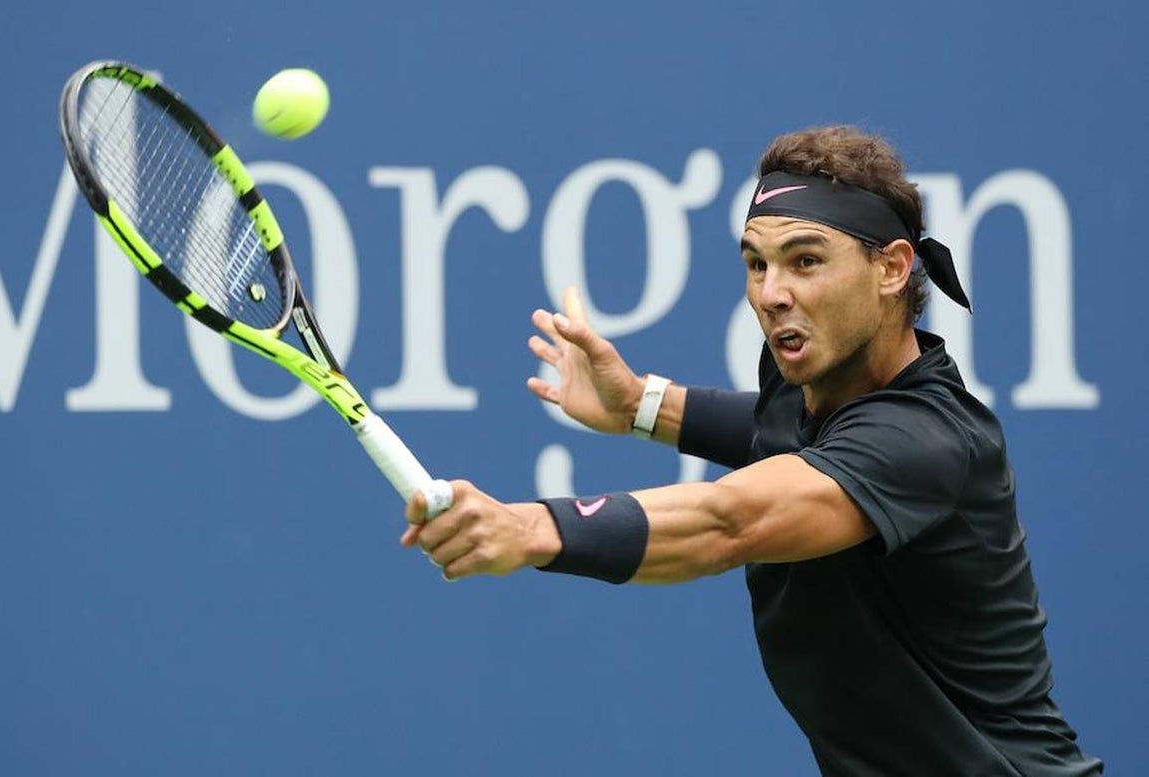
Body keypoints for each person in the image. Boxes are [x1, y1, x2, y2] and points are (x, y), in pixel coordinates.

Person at [400, 126, 1103, 775]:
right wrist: (643, 404)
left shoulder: (925, 439)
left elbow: (732, 521)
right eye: (756, 263)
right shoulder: (812, 378)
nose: (772, 294)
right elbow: (772, 431)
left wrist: (531, 528)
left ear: (891, 269)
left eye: (805, 261)